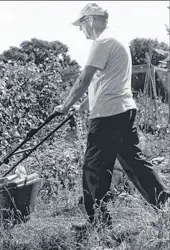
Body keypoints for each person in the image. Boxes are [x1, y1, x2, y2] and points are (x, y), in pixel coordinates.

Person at [54, 3, 170, 230]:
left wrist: (66, 105)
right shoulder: (115, 40)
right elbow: (103, 81)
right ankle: (164, 205)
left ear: (90, 20)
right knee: (135, 163)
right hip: (123, 110)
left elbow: (84, 78)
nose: (81, 30)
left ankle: (98, 223)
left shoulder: (103, 42)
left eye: (81, 25)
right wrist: (83, 106)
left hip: (108, 115)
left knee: (94, 167)